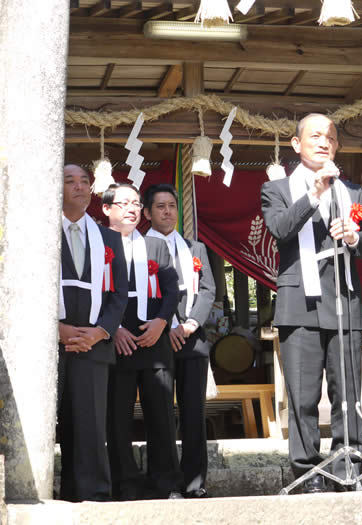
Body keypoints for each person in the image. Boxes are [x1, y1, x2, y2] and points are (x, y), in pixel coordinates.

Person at [261, 114, 362, 493]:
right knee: (304, 396)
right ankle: (308, 473)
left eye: (330, 136)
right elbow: (280, 229)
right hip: (300, 303)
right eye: (314, 136)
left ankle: (350, 466)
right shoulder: (277, 189)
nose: (323, 142)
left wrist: (355, 236)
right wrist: (313, 193)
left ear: (337, 146)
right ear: (296, 145)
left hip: (344, 300)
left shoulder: (354, 191)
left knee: (347, 394)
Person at [102, 182, 182, 500]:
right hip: (114, 338)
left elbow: (172, 290)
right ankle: (125, 485)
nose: (132, 209)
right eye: (125, 203)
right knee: (118, 417)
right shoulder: (100, 242)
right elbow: (98, 292)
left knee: (161, 414)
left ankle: (166, 483)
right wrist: (113, 328)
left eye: (136, 203)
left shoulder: (155, 245)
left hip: (154, 337)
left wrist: (162, 322)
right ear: (108, 208)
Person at [58, 165, 128, 502]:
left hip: (93, 344)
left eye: (85, 181)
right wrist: (54, 329)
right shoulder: (39, 230)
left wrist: (100, 332)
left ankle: (93, 496)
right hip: (48, 343)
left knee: (90, 424)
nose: (80, 187)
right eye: (70, 181)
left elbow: (119, 294)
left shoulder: (109, 238)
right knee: (53, 423)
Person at [143, 183, 216, 499]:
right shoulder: (140, 246)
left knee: (193, 414)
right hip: (158, 339)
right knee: (160, 412)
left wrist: (188, 324)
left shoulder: (194, 248)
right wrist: (168, 325)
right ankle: (166, 482)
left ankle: (194, 481)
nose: (167, 211)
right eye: (160, 206)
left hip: (192, 339)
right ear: (147, 212)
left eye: (171, 205)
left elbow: (209, 290)